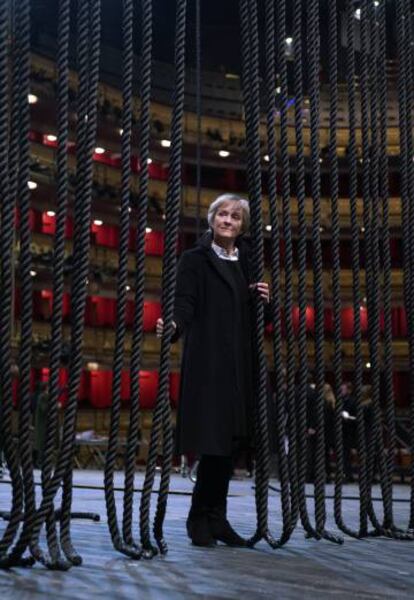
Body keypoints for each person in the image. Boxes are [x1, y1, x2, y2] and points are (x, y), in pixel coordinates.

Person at [156, 193, 269, 547]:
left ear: (241, 226)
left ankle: (216, 517)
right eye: (223, 214)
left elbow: (250, 313)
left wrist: (263, 299)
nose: (228, 221)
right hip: (209, 363)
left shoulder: (248, 260)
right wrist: (173, 325)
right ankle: (200, 517)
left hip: (239, 363)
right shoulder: (195, 259)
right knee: (214, 441)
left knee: (231, 442)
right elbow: (184, 301)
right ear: (211, 218)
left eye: (235, 217)